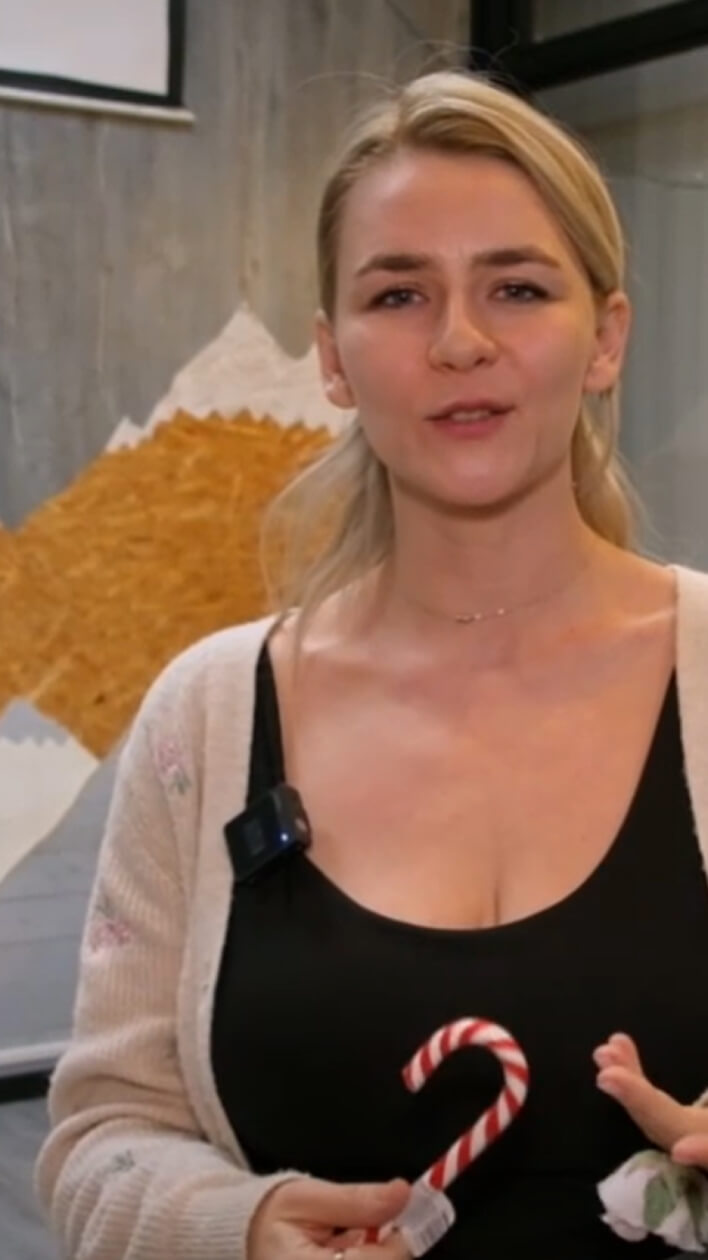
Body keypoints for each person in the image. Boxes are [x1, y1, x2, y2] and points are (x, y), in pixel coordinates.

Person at [34, 68, 708, 1260]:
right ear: (333, 358)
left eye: (517, 287)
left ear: (606, 337)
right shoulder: (208, 718)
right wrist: (234, 1226)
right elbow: (100, 1137)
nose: (459, 341)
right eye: (399, 294)